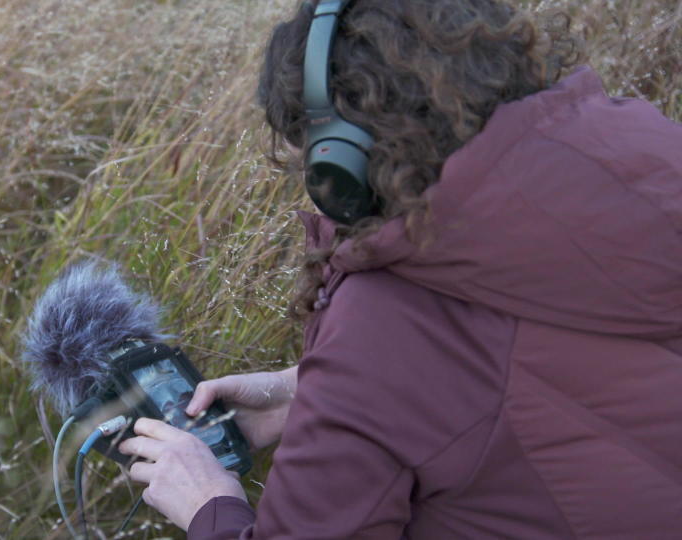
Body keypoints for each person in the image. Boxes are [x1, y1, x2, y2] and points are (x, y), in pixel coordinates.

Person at [118, 0, 682, 537]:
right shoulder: (642, 158)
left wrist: (209, 504)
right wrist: (308, 390)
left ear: (341, 159)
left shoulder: (384, 328)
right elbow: (528, 366)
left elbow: (438, 358)